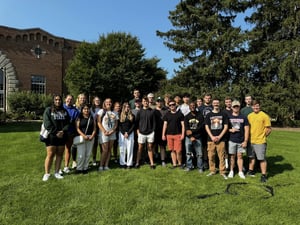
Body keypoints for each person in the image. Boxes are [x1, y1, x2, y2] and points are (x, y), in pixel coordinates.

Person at [42, 95, 70, 181]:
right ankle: (47, 173)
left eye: (59, 100)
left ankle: (57, 172)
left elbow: (67, 122)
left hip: (62, 136)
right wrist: (56, 132)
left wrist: (63, 131)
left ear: (61, 101)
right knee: (50, 154)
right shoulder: (48, 110)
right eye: (56, 100)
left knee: (59, 154)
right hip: (51, 136)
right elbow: (47, 123)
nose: (58, 101)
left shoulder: (64, 111)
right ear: (53, 101)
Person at [247, 100, 272, 182]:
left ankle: (264, 175)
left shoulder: (264, 116)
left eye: (257, 106)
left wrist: (263, 136)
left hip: (260, 141)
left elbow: (268, 129)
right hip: (250, 141)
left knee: (261, 159)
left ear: (260, 106)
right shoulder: (249, 116)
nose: (256, 107)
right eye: (254, 106)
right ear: (252, 107)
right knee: (251, 157)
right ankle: (250, 171)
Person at [205, 98, 229, 179]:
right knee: (211, 156)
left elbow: (226, 126)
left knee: (221, 156)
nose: (216, 104)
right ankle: (212, 170)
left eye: (217, 103)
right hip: (210, 139)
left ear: (219, 104)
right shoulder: (209, 115)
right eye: (214, 103)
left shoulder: (224, 114)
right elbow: (207, 126)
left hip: (221, 139)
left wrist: (219, 136)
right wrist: (212, 136)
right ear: (212, 104)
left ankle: (222, 171)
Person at [227, 100, 249, 179]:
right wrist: (230, 130)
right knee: (232, 156)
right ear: (232, 107)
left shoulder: (243, 117)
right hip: (231, 140)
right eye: (234, 106)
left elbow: (247, 129)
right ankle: (231, 171)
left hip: (241, 140)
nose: (236, 108)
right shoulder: (229, 117)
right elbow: (225, 128)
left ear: (239, 107)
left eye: (237, 106)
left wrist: (245, 141)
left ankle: (240, 171)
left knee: (240, 156)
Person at [162, 99, 185, 168]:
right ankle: (174, 164)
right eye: (170, 105)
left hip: (178, 134)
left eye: (173, 105)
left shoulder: (180, 114)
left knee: (178, 151)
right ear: (168, 106)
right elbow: (165, 125)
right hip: (169, 135)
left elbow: (183, 125)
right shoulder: (167, 115)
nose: (172, 106)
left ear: (175, 105)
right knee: (172, 150)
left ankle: (180, 163)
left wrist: (183, 134)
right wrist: (163, 134)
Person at [97, 98, 119, 171]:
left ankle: (106, 165)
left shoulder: (115, 112)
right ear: (104, 103)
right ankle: (101, 165)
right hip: (104, 133)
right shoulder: (101, 111)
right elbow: (98, 122)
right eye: (107, 102)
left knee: (109, 149)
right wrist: (104, 131)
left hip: (112, 133)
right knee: (105, 150)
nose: (108, 103)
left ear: (112, 103)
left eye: (110, 102)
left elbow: (116, 124)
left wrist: (112, 131)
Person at [135, 96, 156, 169]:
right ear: (142, 103)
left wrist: (153, 131)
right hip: (141, 132)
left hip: (150, 133)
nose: (145, 102)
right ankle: (137, 162)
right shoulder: (139, 111)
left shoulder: (152, 111)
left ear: (148, 102)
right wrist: (138, 131)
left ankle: (152, 163)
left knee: (149, 147)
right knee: (140, 148)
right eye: (144, 101)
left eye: (146, 101)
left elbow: (154, 122)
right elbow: (136, 122)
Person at [75, 103, 97, 174]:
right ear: (82, 110)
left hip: (90, 137)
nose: (86, 110)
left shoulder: (92, 118)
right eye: (84, 109)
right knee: (81, 154)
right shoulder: (79, 118)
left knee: (88, 154)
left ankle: (85, 168)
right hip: (82, 137)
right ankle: (79, 168)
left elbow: (94, 128)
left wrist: (92, 136)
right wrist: (84, 135)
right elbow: (77, 128)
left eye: (87, 109)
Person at [184, 101, 205, 172]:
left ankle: (200, 167)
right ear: (189, 107)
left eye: (194, 105)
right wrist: (190, 137)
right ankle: (189, 166)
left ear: (196, 106)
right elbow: (186, 128)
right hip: (188, 138)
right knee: (188, 153)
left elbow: (201, 127)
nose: (192, 107)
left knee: (199, 154)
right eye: (191, 105)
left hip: (198, 137)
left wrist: (193, 133)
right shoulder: (187, 117)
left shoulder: (200, 115)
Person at [63, 94, 80, 174]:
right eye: (68, 99)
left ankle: (66, 166)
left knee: (67, 149)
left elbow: (76, 122)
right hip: (59, 132)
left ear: (73, 101)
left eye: (71, 99)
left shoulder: (75, 110)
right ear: (65, 99)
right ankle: (58, 168)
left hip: (70, 132)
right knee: (58, 150)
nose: (69, 100)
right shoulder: (61, 107)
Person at [72, 93, 87, 169]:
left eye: (83, 98)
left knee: (82, 145)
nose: (82, 99)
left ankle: (82, 161)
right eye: (81, 98)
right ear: (78, 99)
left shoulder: (86, 107)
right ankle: (74, 161)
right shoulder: (75, 107)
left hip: (83, 128)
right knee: (74, 145)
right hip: (75, 128)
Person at [119, 102, 135, 168]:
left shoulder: (132, 115)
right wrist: (124, 133)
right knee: (122, 149)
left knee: (130, 149)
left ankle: (129, 163)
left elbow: (133, 125)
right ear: (123, 107)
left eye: (128, 107)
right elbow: (119, 126)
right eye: (125, 107)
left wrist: (128, 133)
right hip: (122, 134)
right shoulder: (120, 115)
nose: (127, 108)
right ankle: (122, 163)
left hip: (130, 134)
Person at [154, 97, 168, 166]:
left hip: (163, 130)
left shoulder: (166, 110)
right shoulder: (153, 111)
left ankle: (163, 160)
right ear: (156, 102)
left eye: (160, 101)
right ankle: (154, 159)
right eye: (158, 101)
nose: (159, 103)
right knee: (153, 145)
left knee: (162, 146)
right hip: (155, 131)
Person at [90, 96, 102, 166]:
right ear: (94, 101)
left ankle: (102, 158)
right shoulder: (91, 109)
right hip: (94, 128)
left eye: (98, 100)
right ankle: (94, 159)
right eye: (96, 100)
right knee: (94, 145)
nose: (97, 101)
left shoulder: (102, 109)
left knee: (101, 144)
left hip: (101, 128)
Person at [222, 96, 233, 169]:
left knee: (232, 150)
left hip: (234, 134)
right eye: (227, 102)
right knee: (225, 150)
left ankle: (233, 164)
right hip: (226, 133)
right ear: (225, 103)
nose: (228, 103)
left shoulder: (235, 110)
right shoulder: (223, 112)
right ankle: (226, 164)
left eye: (229, 102)